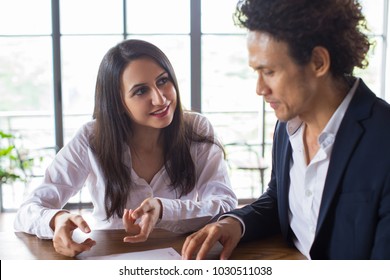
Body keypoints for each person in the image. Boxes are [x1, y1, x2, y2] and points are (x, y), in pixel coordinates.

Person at [182, 0, 390, 260]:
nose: (259, 88)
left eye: (268, 71)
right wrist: (234, 223)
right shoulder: (287, 127)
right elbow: (279, 198)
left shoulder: (383, 139)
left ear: (318, 62)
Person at [14, 39, 237, 257]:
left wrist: (163, 209)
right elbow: (27, 211)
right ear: (118, 102)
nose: (160, 100)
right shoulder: (91, 138)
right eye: (141, 91)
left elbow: (225, 205)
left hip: (182, 255)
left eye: (162, 81)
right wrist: (56, 219)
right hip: (108, 255)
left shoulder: (197, 129)